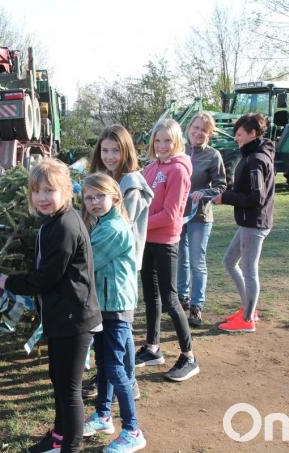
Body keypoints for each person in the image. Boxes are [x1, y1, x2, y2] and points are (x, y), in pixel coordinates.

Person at [0, 159, 102, 453]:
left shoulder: (66, 225)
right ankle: (58, 437)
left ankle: (72, 446)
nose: (42, 197)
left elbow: (47, 277)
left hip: (74, 318)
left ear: (66, 191)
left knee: (69, 391)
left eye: (49, 190)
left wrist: (8, 282)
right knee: (58, 380)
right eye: (36, 191)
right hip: (60, 317)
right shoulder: (54, 222)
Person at [84, 124, 154, 401]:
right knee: (117, 333)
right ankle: (124, 380)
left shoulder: (130, 184)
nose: (110, 156)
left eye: (116, 150)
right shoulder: (106, 178)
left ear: (127, 151)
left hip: (120, 265)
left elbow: (124, 223)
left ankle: (124, 383)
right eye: (105, 150)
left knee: (119, 329)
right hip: (109, 263)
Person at [80, 173, 147, 453]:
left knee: (114, 367)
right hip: (105, 305)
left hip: (116, 307)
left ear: (115, 197)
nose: (94, 202)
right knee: (105, 363)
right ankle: (103, 415)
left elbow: (86, 261)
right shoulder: (102, 222)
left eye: (100, 196)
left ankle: (133, 430)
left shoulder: (114, 229)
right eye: (88, 197)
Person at [138, 118, 200, 382]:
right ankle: (153, 348)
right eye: (158, 140)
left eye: (168, 140)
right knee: (151, 297)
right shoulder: (151, 168)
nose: (162, 145)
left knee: (171, 299)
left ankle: (189, 356)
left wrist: (137, 224)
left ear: (176, 141)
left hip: (165, 242)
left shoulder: (178, 170)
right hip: (146, 241)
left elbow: (171, 214)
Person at [213, 113, 275, 333]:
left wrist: (225, 198)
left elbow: (255, 198)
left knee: (249, 270)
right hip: (249, 223)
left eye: (239, 134)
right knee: (229, 261)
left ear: (252, 134)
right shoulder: (253, 156)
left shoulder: (256, 160)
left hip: (254, 224)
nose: (236, 138)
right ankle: (248, 308)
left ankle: (248, 320)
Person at [178, 113, 227, 327]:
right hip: (177, 215)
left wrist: (205, 192)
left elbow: (221, 186)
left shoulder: (213, 156)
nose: (198, 133)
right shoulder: (179, 151)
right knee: (181, 259)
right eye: (195, 128)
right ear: (189, 128)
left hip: (200, 217)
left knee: (197, 262)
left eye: (203, 130)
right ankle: (182, 298)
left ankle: (197, 306)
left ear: (209, 134)